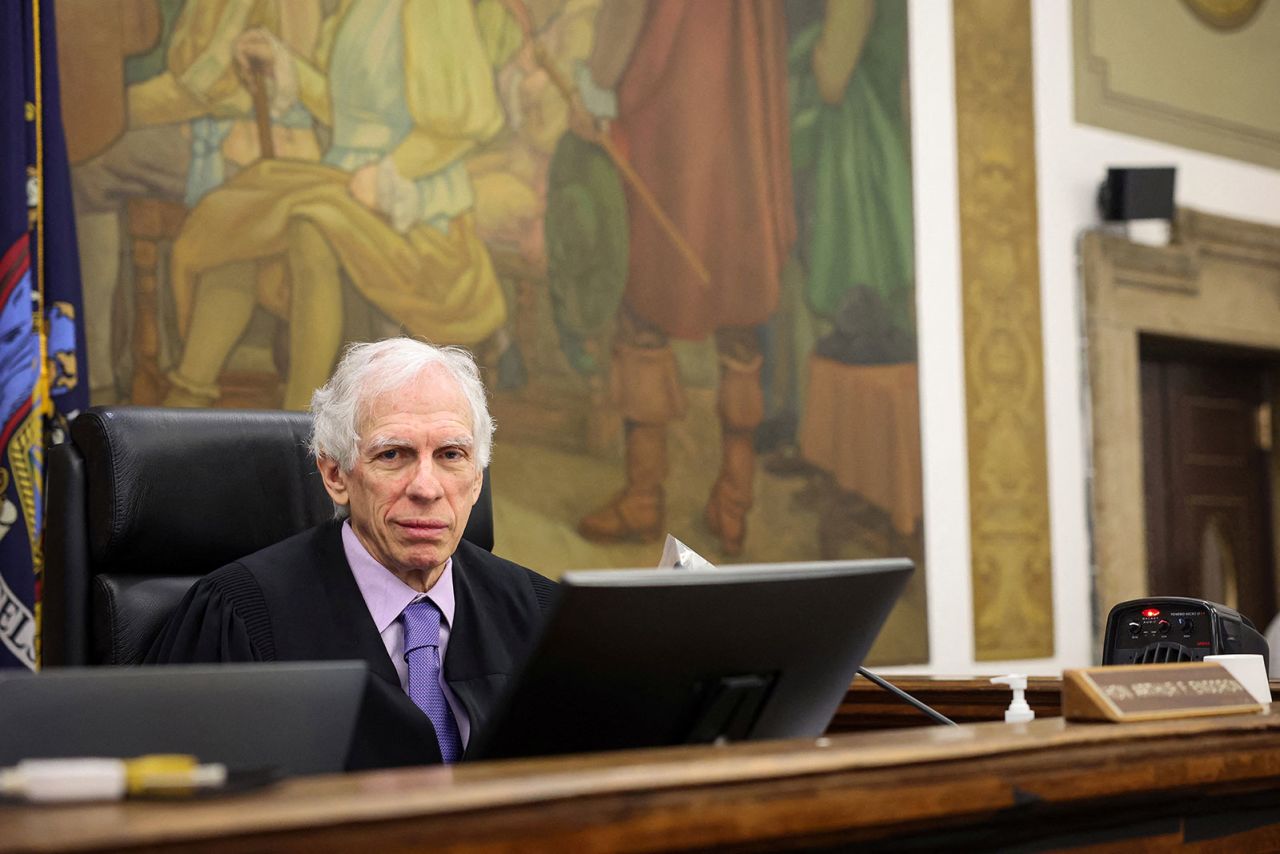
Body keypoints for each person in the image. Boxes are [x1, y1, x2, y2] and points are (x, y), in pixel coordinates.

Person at [146, 337, 556, 768]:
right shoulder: (240, 616)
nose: (427, 488)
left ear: (476, 480)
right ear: (335, 474)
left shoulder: (540, 616)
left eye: (451, 455)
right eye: (393, 454)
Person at [570, 0, 796, 556]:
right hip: (741, 122)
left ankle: (644, 497)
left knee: (645, 304)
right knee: (739, 303)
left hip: (670, 118)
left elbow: (626, 18)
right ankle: (734, 503)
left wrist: (596, 89)